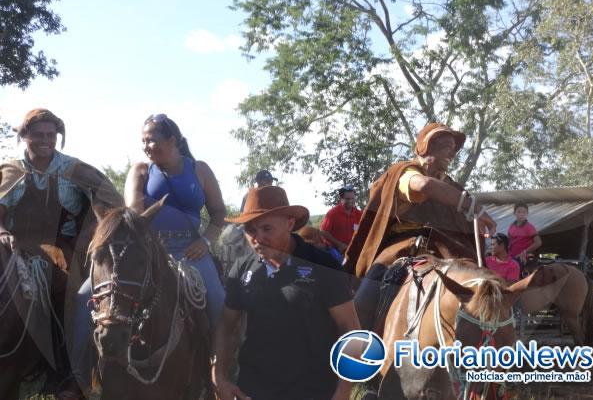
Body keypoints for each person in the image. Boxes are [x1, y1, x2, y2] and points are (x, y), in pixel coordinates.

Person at [0, 108, 123, 399]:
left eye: (51, 135)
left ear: (58, 137)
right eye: (38, 135)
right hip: (14, 243)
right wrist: (2, 230)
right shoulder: (12, 170)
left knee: (70, 292)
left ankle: (67, 371)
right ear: (24, 137)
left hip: (62, 248)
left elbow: (113, 206)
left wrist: (90, 235)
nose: (45, 140)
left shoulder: (75, 170)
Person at [212, 186, 360, 400]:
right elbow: (226, 324)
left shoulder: (323, 266)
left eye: (267, 229)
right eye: (250, 230)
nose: (258, 238)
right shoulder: (242, 269)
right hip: (253, 390)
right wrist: (219, 376)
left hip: (313, 391)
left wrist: (343, 391)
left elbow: (350, 329)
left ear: (290, 223)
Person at [345, 123, 496, 330]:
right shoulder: (404, 172)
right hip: (401, 248)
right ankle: (356, 343)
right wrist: (472, 205)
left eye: (454, 147)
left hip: (448, 249)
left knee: (488, 286)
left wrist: (474, 224)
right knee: (361, 303)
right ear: (426, 147)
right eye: (446, 145)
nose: (452, 151)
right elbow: (424, 185)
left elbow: (465, 222)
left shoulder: (454, 188)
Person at [123, 113, 226, 328]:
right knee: (90, 295)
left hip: (192, 251)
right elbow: (134, 215)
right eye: (143, 141)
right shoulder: (140, 171)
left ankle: (226, 359)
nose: (146, 146)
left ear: (172, 141)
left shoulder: (200, 170)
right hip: (150, 251)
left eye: (151, 140)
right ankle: (88, 359)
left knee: (219, 301)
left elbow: (218, 213)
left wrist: (205, 242)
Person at [320, 186, 362, 254]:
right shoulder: (333, 213)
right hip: (334, 250)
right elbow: (323, 232)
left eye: (352, 198)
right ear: (341, 199)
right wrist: (339, 244)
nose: (350, 201)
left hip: (352, 250)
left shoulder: (359, 214)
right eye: (347, 199)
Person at [508, 201, 542, 266]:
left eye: (524, 212)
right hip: (511, 257)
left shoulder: (529, 227)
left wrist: (524, 252)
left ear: (527, 214)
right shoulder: (511, 226)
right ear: (514, 213)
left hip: (524, 259)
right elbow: (508, 242)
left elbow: (538, 242)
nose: (521, 214)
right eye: (519, 212)